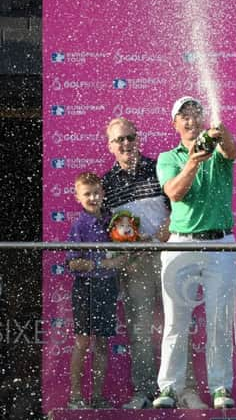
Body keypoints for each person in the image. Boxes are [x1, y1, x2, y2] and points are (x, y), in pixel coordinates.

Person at [102, 117, 204, 409]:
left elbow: (178, 209)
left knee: (178, 326)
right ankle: (144, 393)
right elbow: (113, 227)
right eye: (119, 140)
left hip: (169, 255)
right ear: (110, 146)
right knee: (139, 332)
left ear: (138, 139)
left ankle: (186, 391)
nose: (125, 144)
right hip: (136, 265)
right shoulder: (107, 182)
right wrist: (131, 252)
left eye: (130, 138)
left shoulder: (157, 166)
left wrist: (156, 239)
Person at [152, 96, 236, 410]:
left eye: (195, 115)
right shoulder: (167, 157)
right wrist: (193, 160)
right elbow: (175, 192)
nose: (190, 121)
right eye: (183, 117)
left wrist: (220, 133)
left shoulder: (218, 150)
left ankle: (220, 387)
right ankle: (169, 389)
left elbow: (232, 149)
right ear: (174, 124)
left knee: (220, 319)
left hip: (221, 244)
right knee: (176, 321)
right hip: (180, 245)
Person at [65, 172, 125, 409]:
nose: (92, 197)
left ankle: (98, 396)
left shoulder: (113, 221)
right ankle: (76, 396)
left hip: (107, 287)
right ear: (78, 197)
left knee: (101, 343)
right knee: (82, 342)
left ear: (103, 193)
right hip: (85, 287)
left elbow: (122, 257)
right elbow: (72, 262)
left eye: (96, 193)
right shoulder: (79, 225)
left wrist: (120, 260)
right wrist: (101, 264)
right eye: (87, 194)